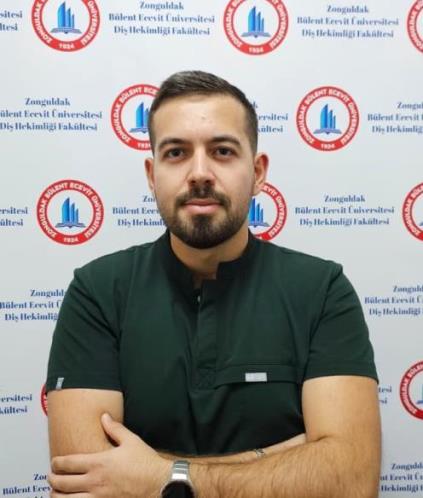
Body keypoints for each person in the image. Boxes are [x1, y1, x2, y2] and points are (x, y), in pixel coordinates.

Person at [46, 70, 381, 498]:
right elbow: (84, 483)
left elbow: (351, 482)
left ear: (258, 172)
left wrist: (155, 476)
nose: (199, 173)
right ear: (151, 174)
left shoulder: (321, 290)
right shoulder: (98, 291)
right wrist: (274, 459)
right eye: (176, 153)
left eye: (222, 151)